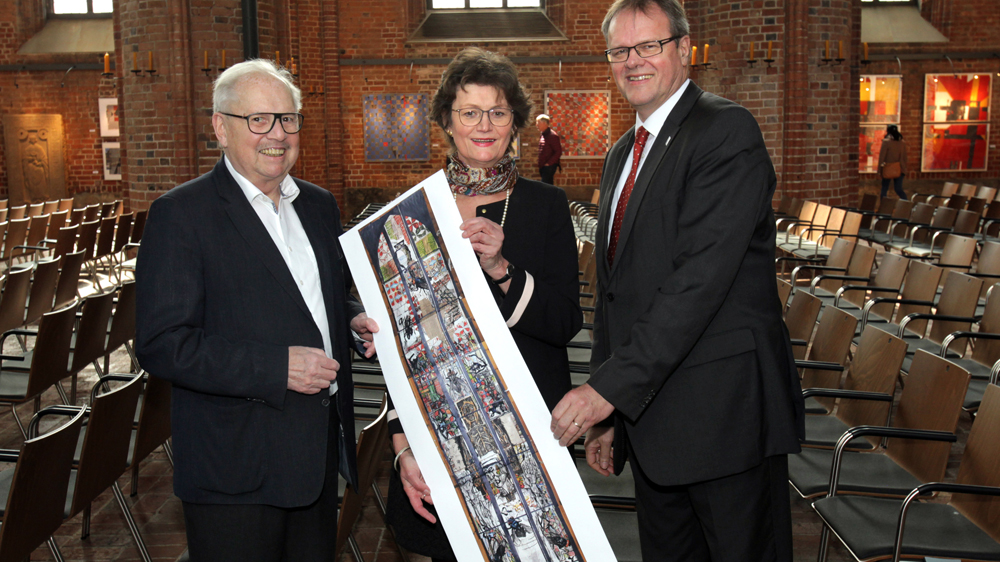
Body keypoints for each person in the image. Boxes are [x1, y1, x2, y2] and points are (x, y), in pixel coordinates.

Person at [549, 1, 804, 561]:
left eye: (649, 46)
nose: (633, 61)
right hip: (652, 420)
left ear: (684, 50)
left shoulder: (725, 130)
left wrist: (606, 392)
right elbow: (615, 295)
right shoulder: (623, 152)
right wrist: (612, 412)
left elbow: (698, 283)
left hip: (724, 418)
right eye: (620, 50)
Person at [135, 59, 378, 562]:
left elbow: (315, 295)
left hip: (314, 455)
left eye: (288, 118)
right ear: (221, 128)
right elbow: (162, 344)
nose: (278, 134)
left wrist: (350, 318)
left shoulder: (317, 204)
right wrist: (275, 367)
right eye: (259, 119)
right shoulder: (181, 214)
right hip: (236, 467)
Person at [384, 47, 582, 562]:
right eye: (469, 112)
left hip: (527, 430)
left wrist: (501, 268)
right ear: (447, 122)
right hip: (443, 429)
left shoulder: (546, 205)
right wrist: (402, 442)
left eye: (497, 111)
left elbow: (565, 322)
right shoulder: (412, 210)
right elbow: (401, 340)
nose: (484, 125)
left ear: (515, 121)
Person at [878, 124, 908, 200]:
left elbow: (882, 157)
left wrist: (879, 170)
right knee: (898, 189)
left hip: (887, 167)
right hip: (900, 168)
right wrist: (904, 169)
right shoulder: (902, 142)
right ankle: (906, 204)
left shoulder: (886, 142)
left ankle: (883, 205)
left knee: (884, 188)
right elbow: (904, 157)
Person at [536, 113, 563, 185]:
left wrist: (549, 163)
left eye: (538, 123)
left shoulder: (552, 136)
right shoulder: (543, 135)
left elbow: (558, 151)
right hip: (543, 166)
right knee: (549, 186)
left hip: (549, 167)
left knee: (544, 186)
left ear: (544, 123)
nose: (537, 125)